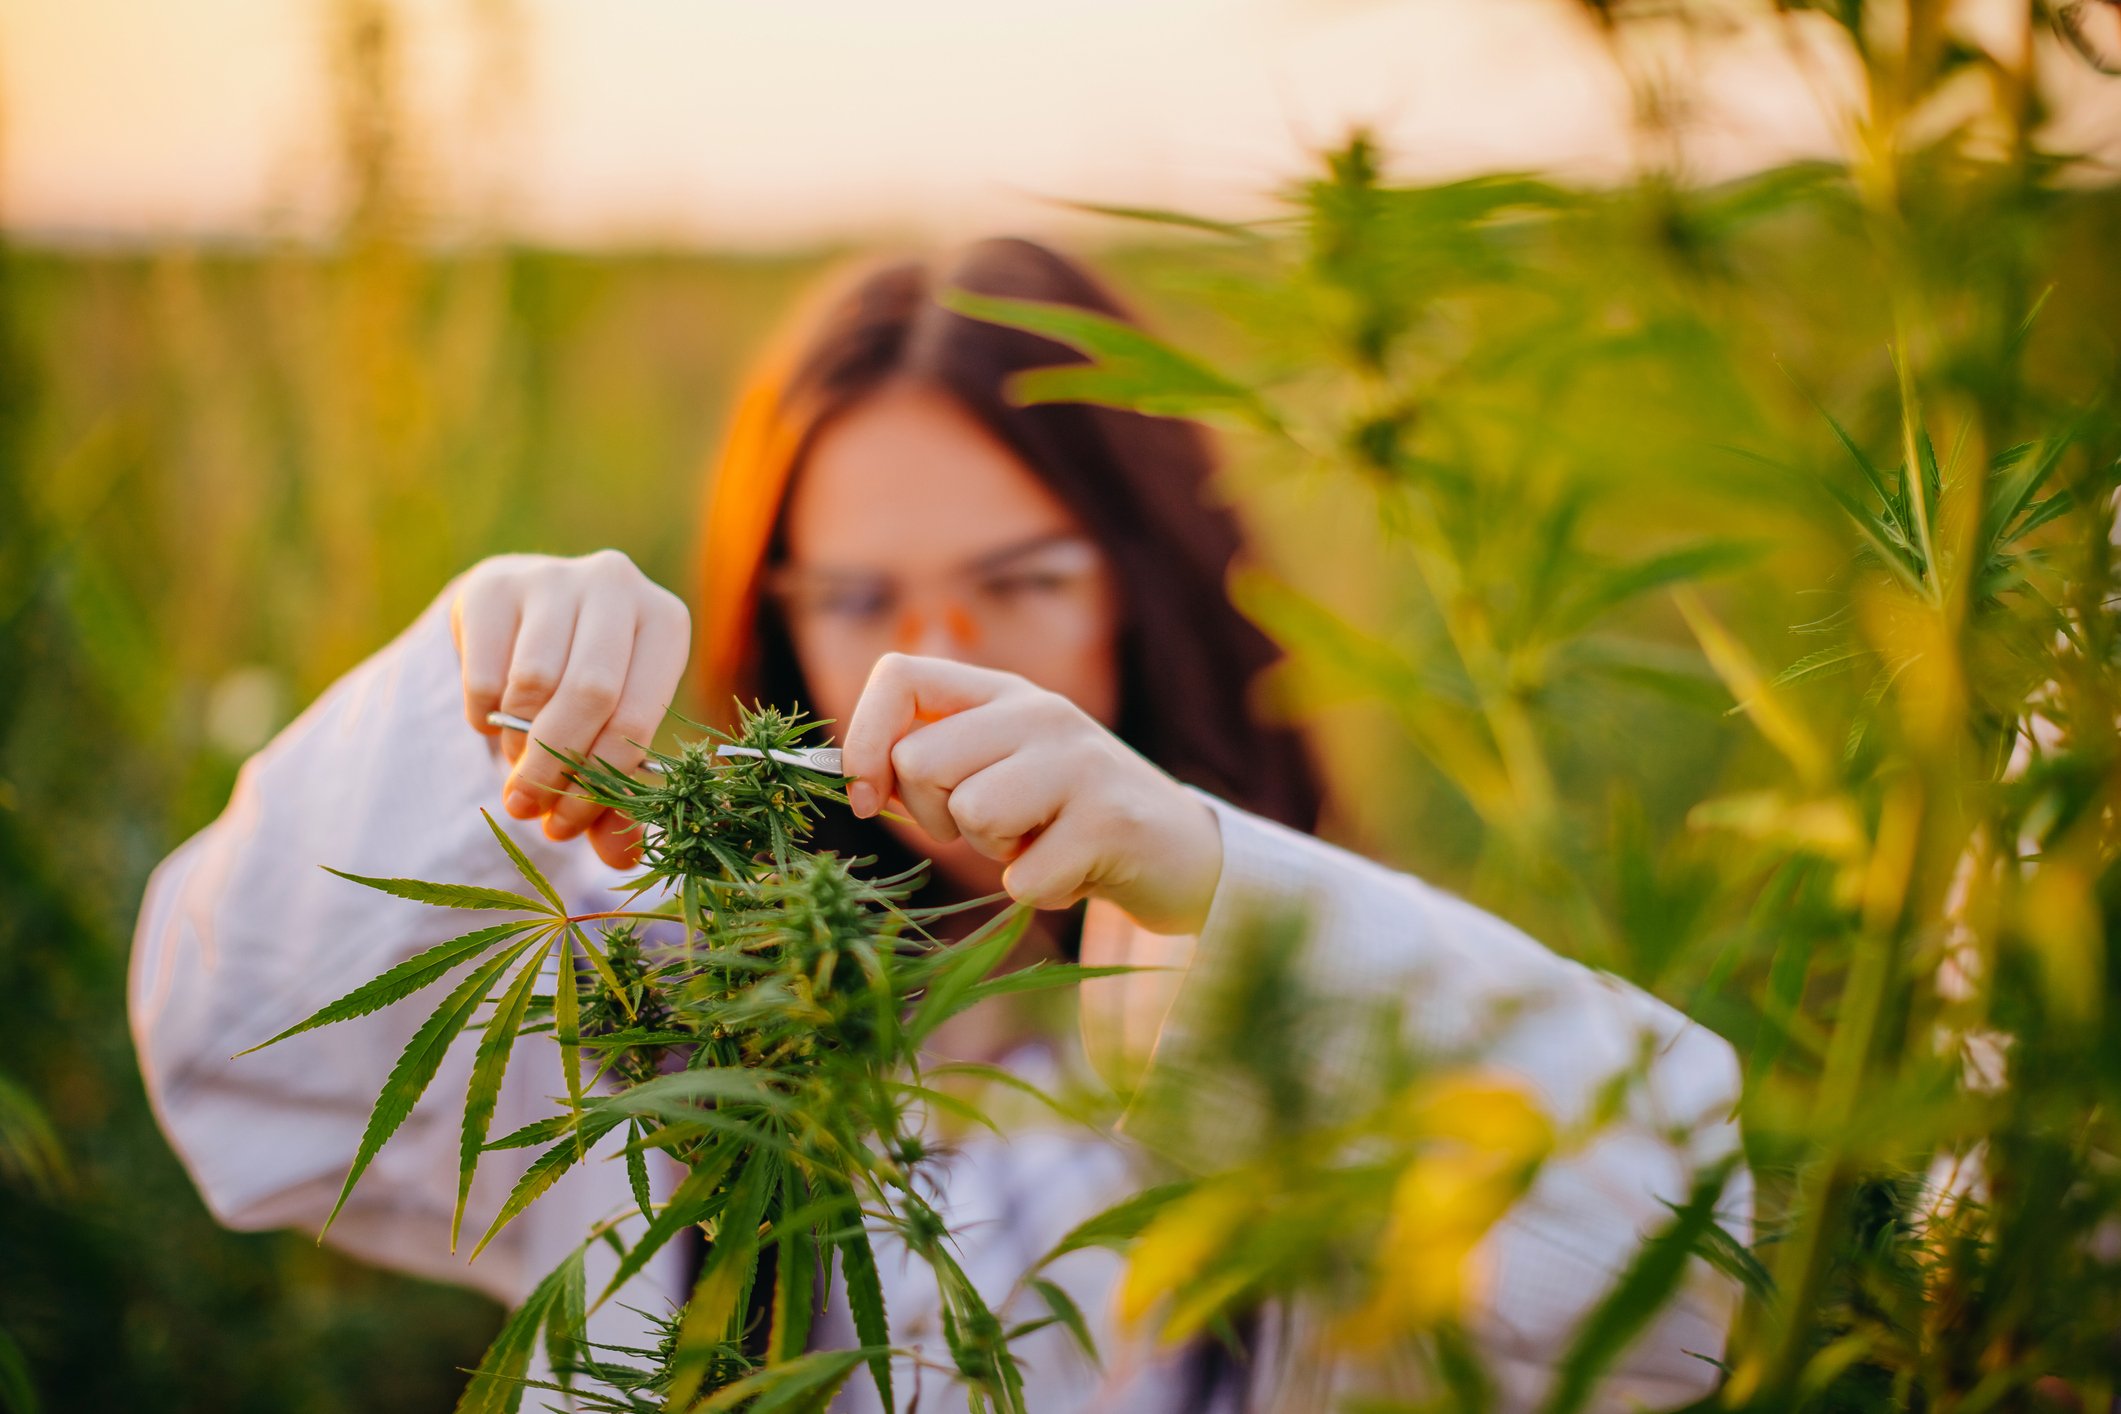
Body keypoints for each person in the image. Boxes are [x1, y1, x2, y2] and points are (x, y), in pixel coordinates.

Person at [130, 238, 1746, 1412]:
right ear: (774, 617)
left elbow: (1689, 1282)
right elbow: (234, 1058)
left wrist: (1204, 875)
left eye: (1023, 578)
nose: (938, 654)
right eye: (854, 594)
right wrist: (458, 680)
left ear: (1147, 578)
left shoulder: (1318, 987)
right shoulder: (672, 1003)